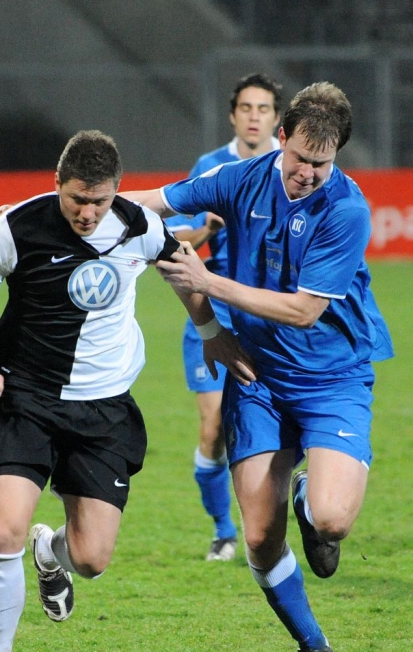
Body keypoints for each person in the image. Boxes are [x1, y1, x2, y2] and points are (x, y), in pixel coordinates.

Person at [0, 130, 249, 652]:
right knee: (3, 532)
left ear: (116, 192)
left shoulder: (138, 225)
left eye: (99, 201)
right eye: (77, 199)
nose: (87, 212)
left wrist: (212, 333)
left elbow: (181, 269)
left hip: (103, 408)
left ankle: (50, 552)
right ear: (57, 185)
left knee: (91, 558)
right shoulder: (16, 229)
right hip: (21, 396)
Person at [124, 82, 394, 652]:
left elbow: (303, 311)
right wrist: (41, 210)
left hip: (332, 379)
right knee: (260, 537)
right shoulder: (236, 179)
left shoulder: (346, 209)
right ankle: (313, 646)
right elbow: (149, 203)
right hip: (258, 377)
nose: (307, 174)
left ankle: (308, 499)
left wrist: (208, 285)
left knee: (331, 521)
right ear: (281, 138)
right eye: (299, 158)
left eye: (322, 163)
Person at [168, 73, 283, 562]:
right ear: (233, 116)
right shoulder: (210, 167)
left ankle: (289, 512)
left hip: (270, 315)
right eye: (246, 108)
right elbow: (174, 241)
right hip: (214, 313)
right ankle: (223, 530)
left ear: (277, 119)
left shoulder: (290, 169)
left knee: (286, 423)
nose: (254, 117)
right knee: (214, 428)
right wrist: (207, 230)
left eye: (264, 108)